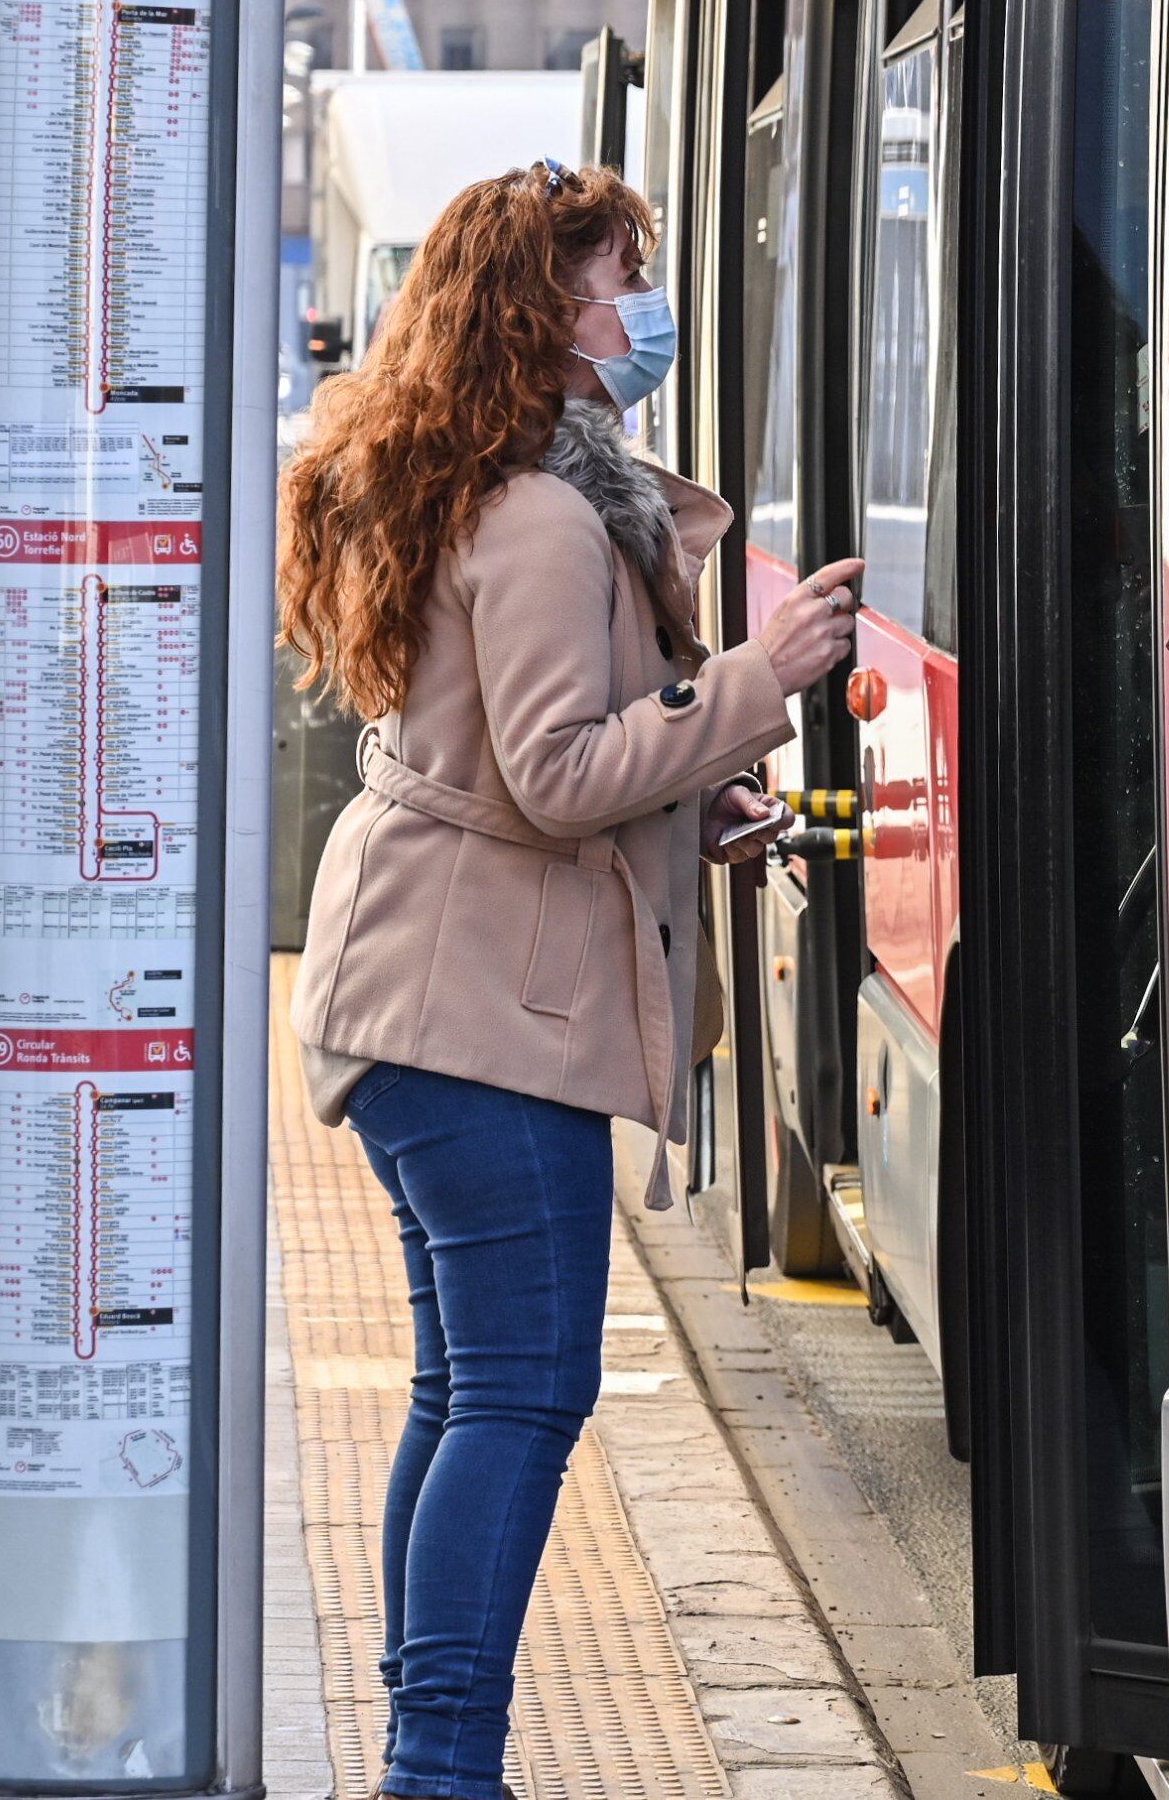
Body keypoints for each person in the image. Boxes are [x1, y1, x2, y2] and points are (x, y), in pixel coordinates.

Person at [276, 163, 862, 1800]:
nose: (646, 309)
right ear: (547, 311)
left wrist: (697, 791)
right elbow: (549, 770)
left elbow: (526, 745)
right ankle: (440, 1769)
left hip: (432, 985)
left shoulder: (497, 479)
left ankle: (427, 1751)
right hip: (480, 1012)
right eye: (624, 278)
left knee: (468, 1386)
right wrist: (761, 681)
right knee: (524, 1396)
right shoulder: (537, 511)